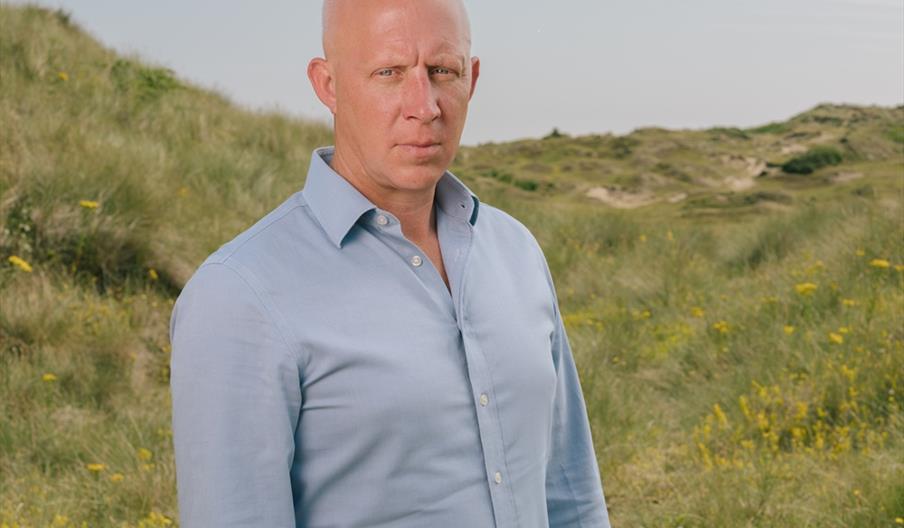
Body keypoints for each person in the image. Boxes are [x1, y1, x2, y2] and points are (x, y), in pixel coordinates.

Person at [168, 0, 611, 526]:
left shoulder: (517, 252)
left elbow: (572, 495)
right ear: (327, 85)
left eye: (442, 71)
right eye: (389, 72)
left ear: (471, 79)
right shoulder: (239, 295)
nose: (424, 106)